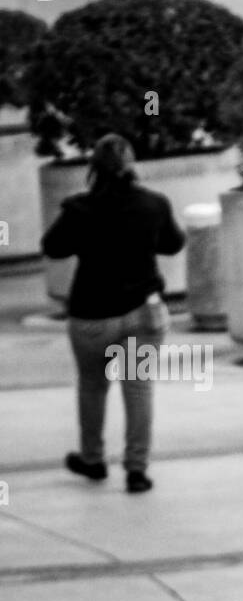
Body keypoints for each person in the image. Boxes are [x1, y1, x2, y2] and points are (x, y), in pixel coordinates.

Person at [42, 134, 184, 495]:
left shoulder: (79, 209)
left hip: (93, 315)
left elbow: (53, 247)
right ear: (132, 165)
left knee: (93, 386)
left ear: (94, 169)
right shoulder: (153, 204)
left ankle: (93, 459)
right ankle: (137, 470)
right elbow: (173, 242)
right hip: (144, 311)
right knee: (138, 388)